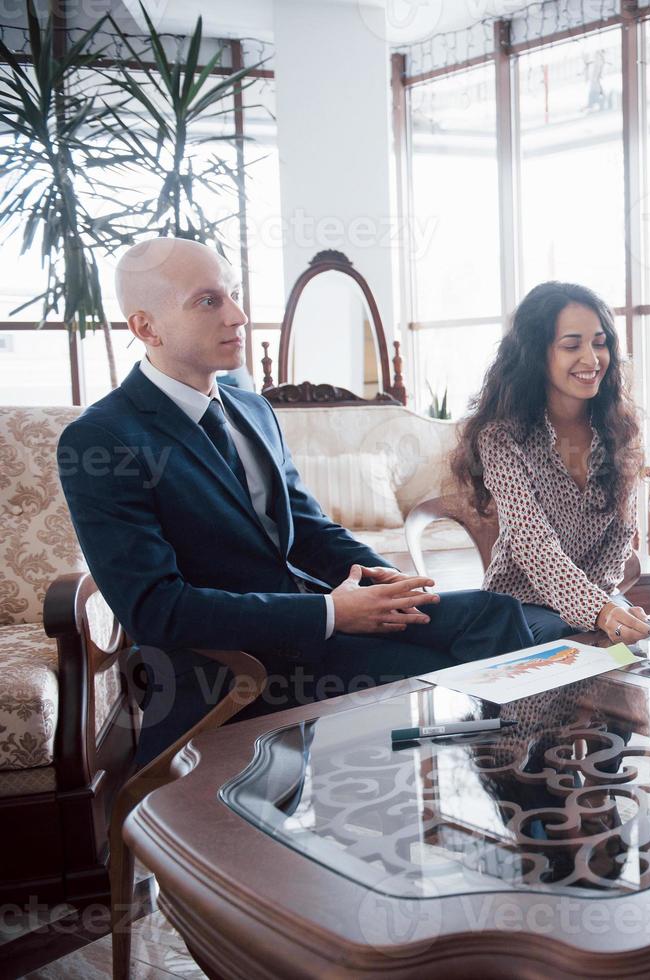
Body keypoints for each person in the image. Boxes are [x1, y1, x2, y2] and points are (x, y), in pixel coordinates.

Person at [58, 238, 533, 763]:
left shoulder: (252, 410)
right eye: (208, 301)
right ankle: (504, 781)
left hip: (316, 626)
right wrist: (330, 613)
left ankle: (521, 786)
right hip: (239, 665)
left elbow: (309, 531)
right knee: (435, 672)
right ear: (147, 328)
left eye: (234, 294)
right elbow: (157, 610)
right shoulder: (104, 440)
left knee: (493, 614)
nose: (238, 316)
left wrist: (387, 585)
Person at [451, 281, 650, 646]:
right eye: (572, 345)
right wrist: (600, 612)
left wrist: (609, 607)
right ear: (536, 353)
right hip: (519, 611)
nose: (592, 360)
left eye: (600, 342)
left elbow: (620, 539)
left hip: (597, 601)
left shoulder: (619, 432)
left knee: (634, 652)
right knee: (575, 643)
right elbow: (533, 545)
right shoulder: (502, 438)